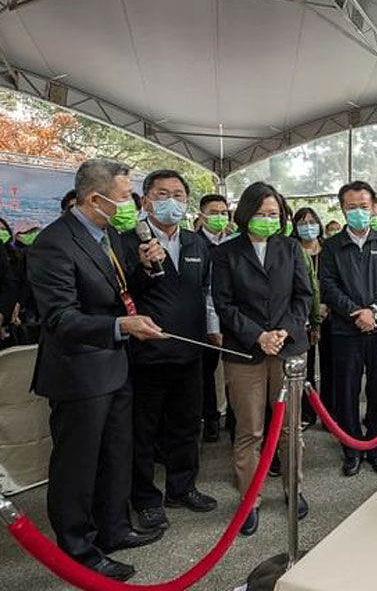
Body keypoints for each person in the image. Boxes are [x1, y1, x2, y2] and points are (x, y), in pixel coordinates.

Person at [27, 158, 166, 581]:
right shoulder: (54, 243)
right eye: (125, 197)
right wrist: (121, 326)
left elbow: (119, 292)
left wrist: (145, 267)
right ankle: (78, 551)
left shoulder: (112, 236)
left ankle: (114, 529)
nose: (132, 206)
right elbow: (60, 319)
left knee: (115, 455)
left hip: (115, 364)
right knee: (78, 466)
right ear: (94, 199)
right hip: (79, 373)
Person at [212, 181, 312, 536]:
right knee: (250, 430)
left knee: (289, 429)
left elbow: (303, 296)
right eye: (260, 213)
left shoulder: (290, 247)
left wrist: (283, 331)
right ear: (245, 214)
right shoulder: (226, 252)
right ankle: (249, 499)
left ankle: (293, 489)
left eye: (273, 214)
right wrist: (258, 335)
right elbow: (224, 304)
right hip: (245, 352)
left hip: (288, 348)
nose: (267, 220)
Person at [122, 170, 218, 532]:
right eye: (163, 194)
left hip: (190, 351)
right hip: (146, 354)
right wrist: (143, 267)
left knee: (186, 425)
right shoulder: (126, 242)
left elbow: (206, 292)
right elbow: (119, 295)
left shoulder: (195, 243)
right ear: (146, 200)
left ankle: (182, 487)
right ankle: (145, 500)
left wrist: (213, 329)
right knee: (143, 432)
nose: (172, 202)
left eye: (179, 195)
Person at [320, 181, 377, 477]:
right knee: (346, 392)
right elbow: (328, 286)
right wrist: (356, 312)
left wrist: (374, 310)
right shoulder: (331, 246)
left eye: (363, 207)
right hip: (346, 330)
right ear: (343, 209)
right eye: (352, 207)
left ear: (373, 208)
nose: (358, 212)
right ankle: (351, 450)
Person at [197, 193, 231, 442]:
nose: (219, 217)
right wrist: (212, 324)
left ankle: (233, 417)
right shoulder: (194, 243)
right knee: (206, 371)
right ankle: (210, 418)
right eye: (214, 213)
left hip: (231, 316)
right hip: (202, 319)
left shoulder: (233, 242)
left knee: (236, 370)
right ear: (202, 216)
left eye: (223, 213)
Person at [292, 207, 326, 427]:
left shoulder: (328, 249)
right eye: (302, 223)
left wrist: (326, 306)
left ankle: (329, 412)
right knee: (306, 367)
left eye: (312, 222)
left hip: (331, 313)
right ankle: (306, 413)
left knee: (331, 367)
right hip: (303, 318)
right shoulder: (291, 249)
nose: (308, 227)